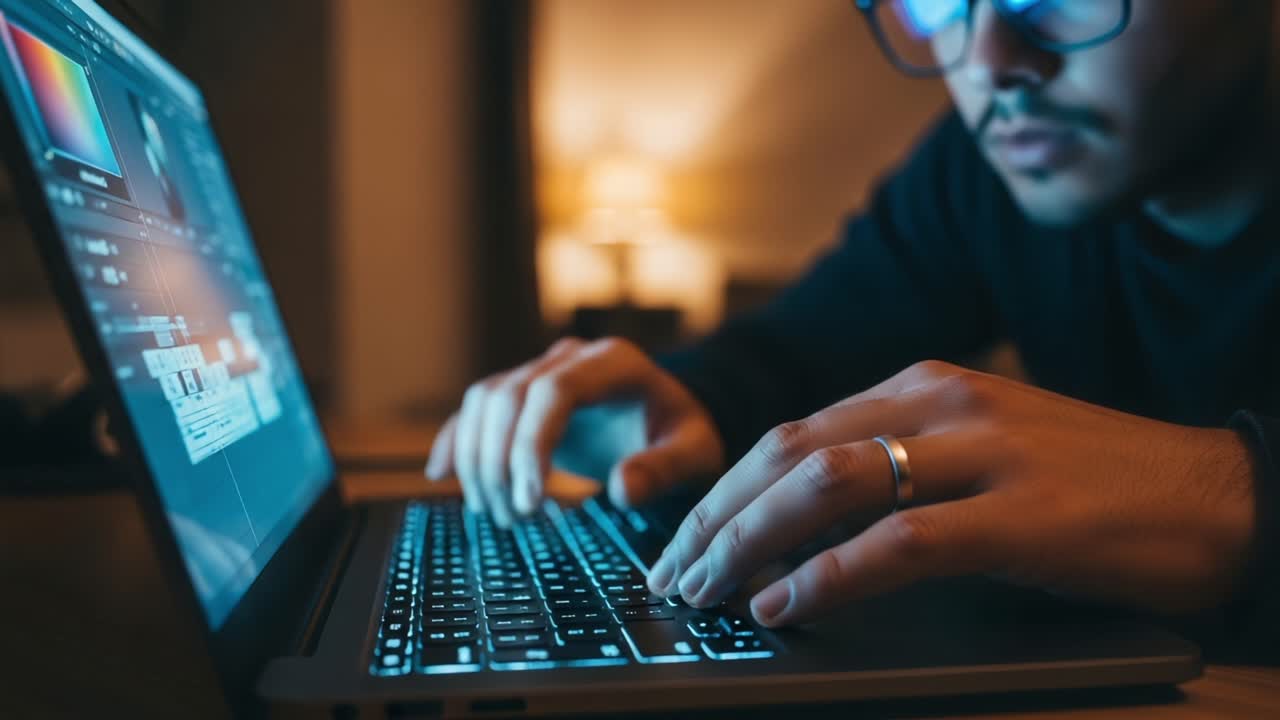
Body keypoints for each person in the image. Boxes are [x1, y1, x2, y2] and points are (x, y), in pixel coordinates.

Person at [426, 0, 1280, 660]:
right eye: (940, 4)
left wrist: (1239, 499)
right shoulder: (976, 172)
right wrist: (687, 405)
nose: (989, 62)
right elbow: (800, 347)